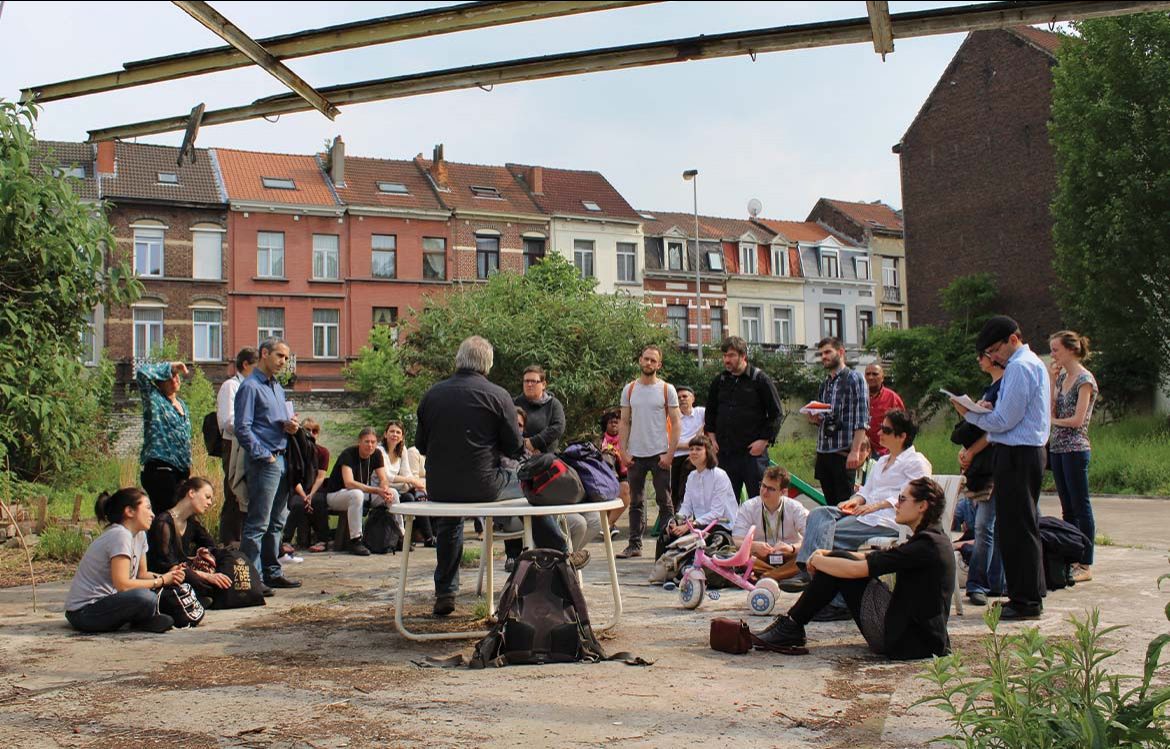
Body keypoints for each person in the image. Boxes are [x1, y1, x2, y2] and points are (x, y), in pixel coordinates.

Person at [416, 336, 583, 617]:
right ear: (488, 364)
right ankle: (561, 555)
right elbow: (514, 447)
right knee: (532, 490)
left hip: (440, 487)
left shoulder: (432, 394)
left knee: (450, 522)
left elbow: (421, 445)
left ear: (458, 360)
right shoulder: (497, 395)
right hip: (484, 485)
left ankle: (445, 591)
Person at [753, 477, 955, 660]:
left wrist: (819, 562)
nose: (896, 505)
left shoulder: (926, 546)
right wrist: (824, 555)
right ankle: (792, 624)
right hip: (915, 634)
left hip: (910, 642)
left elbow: (857, 570)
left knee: (838, 568)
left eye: (902, 499)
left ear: (922, 506)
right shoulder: (931, 540)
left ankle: (792, 624)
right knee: (838, 560)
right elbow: (875, 556)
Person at [953, 315, 1050, 620]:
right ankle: (1030, 593)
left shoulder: (1020, 367)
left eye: (996, 349)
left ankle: (1025, 600)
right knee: (1023, 525)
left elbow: (1005, 421)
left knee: (1016, 528)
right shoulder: (1028, 364)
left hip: (1018, 453)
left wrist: (970, 414)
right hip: (1023, 451)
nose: (993, 357)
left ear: (1013, 339)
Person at [783, 410, 932, 607]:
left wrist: (877, 505)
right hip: (866, 515)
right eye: (881, 428)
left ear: (902, 436)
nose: (879, 433)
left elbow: (917, 496)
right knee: (819, 514)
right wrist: (856, 501)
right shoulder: (882, 461)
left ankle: (833, 599)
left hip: (887, 519)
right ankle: (808, 570)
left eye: (886, 430)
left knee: (829, 535)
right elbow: (867, 491)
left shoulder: (916, 462)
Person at [65, 488, 183, 633]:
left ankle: (142, 621)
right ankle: (141, 621)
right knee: (146, 597)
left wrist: (170, 577)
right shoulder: (119, 535)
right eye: (147, 508)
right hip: (85, 612)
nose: (152, 514)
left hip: (112, 603)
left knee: (167, 591)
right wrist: (162, 581)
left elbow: (142, 574)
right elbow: (123, 585)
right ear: (129, 511)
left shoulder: (139, 535)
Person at [234, 337, 301, 592]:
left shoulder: (277, 387)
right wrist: (265, 455)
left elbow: (276, 420)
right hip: (266, 461)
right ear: (264, 353)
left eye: (286, 357)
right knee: (258, 523)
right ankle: (252, 579)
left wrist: (291, 426)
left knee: (277, 522)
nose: (284, 362)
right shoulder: (250, 387)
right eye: (280, 356)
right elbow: (243, 428)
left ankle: (272, 572)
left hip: (282, 458)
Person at [616, 344, 682, 559]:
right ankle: (634, 545)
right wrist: (623, 451)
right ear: (640, 360)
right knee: (636, 501)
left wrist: (670, 454)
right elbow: (624, 422)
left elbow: (676, 422)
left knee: (665, 501)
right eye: (646, 359)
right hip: (636, 453)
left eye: (653, 360)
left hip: (660, 452)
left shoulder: (666, 389)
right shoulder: (630, 389)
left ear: (659, 364)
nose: (649, 363)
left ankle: (668, 545)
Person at [951, 352, 1004, 606]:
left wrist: (972, 450)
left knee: (986, 526)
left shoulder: (1003, 386)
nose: (978, 360)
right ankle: (992, 581)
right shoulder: (990, 388)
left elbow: (994, 429)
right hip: (985, 464)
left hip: (995, 464)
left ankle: (980, 583)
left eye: (982, 355)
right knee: (989, 526)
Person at [704, 336, 784, 501]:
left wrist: (763, 441)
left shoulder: (760, 379)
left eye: (731, 355)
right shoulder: (719, 381)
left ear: (743, 356)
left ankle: (763, 528)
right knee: (725, 502)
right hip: (725, 454)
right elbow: (710, 412)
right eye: (725, 355)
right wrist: (712, 439)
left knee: (760, 500)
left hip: (752, 455)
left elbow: (776, 414)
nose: (727, 359)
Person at [1048, 330, 1098, 583]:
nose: (1053, 354)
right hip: (1057, 447)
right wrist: (1050, 378)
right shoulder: (1062, 378)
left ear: (1070, 349)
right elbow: (1051, 407)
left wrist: (1052, 421)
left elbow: (1078, 419)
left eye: (1056, 349)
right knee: (1067, 507)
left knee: (1081, 505)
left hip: (1076, 448)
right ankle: (1070, 556)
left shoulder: (1084, 380)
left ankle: (1085, 562)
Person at [651, 435, 739, 576]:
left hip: (721, 525)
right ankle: (662, 571)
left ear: (708, 452)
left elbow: (717, 512)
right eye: (691, 449)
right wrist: (676, 520)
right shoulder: (692, 476)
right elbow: (686, 506)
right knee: (667, 532)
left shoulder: (719, 476)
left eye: (698, 449)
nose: (693, 452)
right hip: (698, 525)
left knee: (697, 538)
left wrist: (690, 524)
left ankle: (685, 572)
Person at [147, 477, 233, 605]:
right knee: (192, 577)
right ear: (191, 493)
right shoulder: (163, 523)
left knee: (224, 564)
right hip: (167, 576)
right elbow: (168, 566)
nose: (210, 503)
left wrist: (202, 557)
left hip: (186, 571)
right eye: (207, 497)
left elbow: (211, 545)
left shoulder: (191, 522)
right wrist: (208, 576)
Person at [809, 337, 869, 506]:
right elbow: (826, 417)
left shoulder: (854, 378)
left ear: (841, 352)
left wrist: (855, 451)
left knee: (845, 506)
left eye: (828, 352)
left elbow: (862, 417)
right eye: (821, 354)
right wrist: (815, 418)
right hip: (824, 451)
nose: (824, 357)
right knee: (829, 505)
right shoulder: (825, 384)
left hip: (843, 453)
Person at [322, 428, 397, 556]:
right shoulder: (348, 454)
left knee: (393, 493)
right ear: (359, 442)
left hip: (361, 494)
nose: (370, 445)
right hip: (336, 495)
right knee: (356, 494)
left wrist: (384, 489)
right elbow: (349, 483)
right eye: (367, 441)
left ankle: (399, 535)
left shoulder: (377, 454)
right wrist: (376, 490)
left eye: (373, 442)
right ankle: (355, 540)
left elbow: (383, 478)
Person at [733, 465, 809, 582]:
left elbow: (811, 538)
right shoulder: (749, 506)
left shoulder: (795, 507)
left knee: (807, 556)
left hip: (789, 556)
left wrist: (792, 548)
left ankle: (765, 577)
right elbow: (737, 540)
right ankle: (780, 575)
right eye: (763, 486)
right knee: (739, 555)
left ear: (783, 492)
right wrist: (754, 545)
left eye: (771, 489)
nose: (764, 491)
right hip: (761, 557)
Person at [136, 360, 192, 515]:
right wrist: (170, 366)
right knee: (166, 516)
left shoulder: (182, 405)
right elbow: (142, 373)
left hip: (180, 470)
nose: (175, 379)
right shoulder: (154, 400)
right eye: (170, 377)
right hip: (161, 469)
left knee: (179, 516)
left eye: (176, 376)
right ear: (160, 382)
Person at [216, 347, 258, 545]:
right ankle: (229, 539)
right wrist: (250, 426)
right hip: (234, 444)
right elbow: (227, 420)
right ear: (246, 365)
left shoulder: (255, 387)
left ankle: (243, 537)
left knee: (248, 493)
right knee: (234, 489)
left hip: (250, 445)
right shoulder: (231, 386)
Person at [379, 419, 433, 548]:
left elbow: (407, 473)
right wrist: (411, 481)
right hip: (381, 489)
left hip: (399, 489)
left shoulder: (402, 450)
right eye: (392, 431)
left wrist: (418, 484)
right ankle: (402, 536)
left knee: (415, 496)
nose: (395, 435)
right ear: (385, 434)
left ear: (402, 436)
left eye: (398, 432)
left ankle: (428, 537)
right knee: (405, 495)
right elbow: (387, 476)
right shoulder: (380, 451)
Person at [286, 418, 329, 553]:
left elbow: (320, 476)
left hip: (315, 489)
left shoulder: (323, 452)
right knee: (297, 504)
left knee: (320, 501)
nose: (311, 434)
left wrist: (311, 494)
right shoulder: (293, 450)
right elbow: (293, 477)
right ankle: (286, 539)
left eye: (314, 431)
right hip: (298, 489)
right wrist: (305, 496)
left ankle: (322, 539)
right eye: (307, 430)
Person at [669, 385, 706, 514]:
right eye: (679, 398)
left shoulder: (701, 412)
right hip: (677, 456)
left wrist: (690, 443)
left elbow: (710, 426)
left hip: (698, 454)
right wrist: (695, 439)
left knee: (688, 464)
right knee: (676, 477)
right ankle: (678, 507)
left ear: (693, 398)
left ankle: (682, 504)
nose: (682, 399)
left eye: (685, 396)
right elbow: (670, 443)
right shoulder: (673, 417)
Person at [514, 365, 566, 455]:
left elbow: (558, 427)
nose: (529, 384)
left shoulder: (553, 404)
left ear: (543, 385)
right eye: (526, 381)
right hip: (517, 458)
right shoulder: (514, 403)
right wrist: (524, 446)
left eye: (534, 381)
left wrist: (534, 442)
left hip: (546, 458)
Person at [599, 409, 631, 538]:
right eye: (611, 422)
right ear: (605, 425)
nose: (614, 424)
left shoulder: (629, 440)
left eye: (617, 422)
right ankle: (608, 526)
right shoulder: (598, 442)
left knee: (625, 489)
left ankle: (607, 525)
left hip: (625, 475)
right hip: (604, 477)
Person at [864, 363, 905, 458]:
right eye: (868, 374)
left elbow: (902, 426)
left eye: (875, 374)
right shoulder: (857, 397)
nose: (870, 377)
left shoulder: (892, 398)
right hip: (861, 451)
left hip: (884, 452)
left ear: (882, 377)